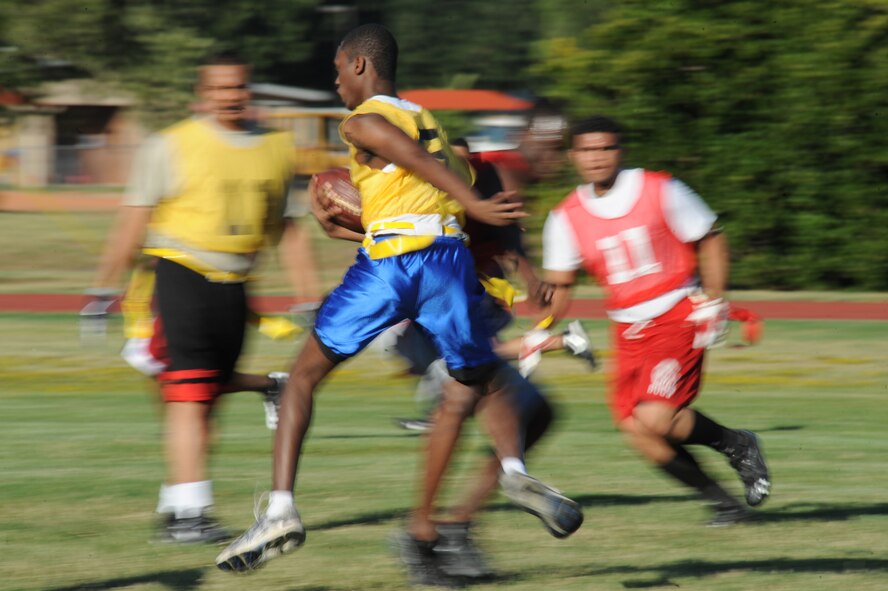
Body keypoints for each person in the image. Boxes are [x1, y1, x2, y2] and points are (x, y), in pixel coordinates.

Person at [215, 24, 582, 584]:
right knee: (480, 380)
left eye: (338, 69)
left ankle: (280, 512)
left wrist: (468, 208)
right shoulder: (430, 120)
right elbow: (444, 175)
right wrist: (470, 220)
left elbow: (406, 157)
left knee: (301, 379)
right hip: (448, 263)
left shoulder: (362, 121)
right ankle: (513, 470)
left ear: (360, 66)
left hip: (394, 264)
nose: (335, 81)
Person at [87, 52, 318, 543]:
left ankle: (179, 507)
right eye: (219, 88)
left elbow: (287, 228)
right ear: (203, 93)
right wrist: (103, 288)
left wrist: (307, 294)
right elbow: (132, 219)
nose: (230, 96)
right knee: (189, 393)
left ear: (248, 89)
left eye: (238, 87)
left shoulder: (276, 147)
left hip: (236, 287)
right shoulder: (169, 145)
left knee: (203, 398)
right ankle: (191, 514)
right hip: (180, 274)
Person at [539, 115, 771, 526]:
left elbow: (711, 236)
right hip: (627, 330)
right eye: (587, 150)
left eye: (606, 148)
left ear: (620, 151)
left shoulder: (661, 189)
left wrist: (714, 300)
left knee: (655, 418)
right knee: (636, 430)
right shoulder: (564, 216)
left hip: (676, 313)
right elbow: (560, 285)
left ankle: (735, 443)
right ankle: (724, 503)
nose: (596, 158)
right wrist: (538, 332)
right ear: (574, 156)